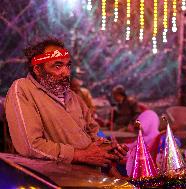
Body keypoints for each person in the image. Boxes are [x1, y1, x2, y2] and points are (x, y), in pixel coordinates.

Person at [4, 38, 128, 170]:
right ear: (37, 69)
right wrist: (79, 155)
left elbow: (94, 132)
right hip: (54, 180)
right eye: (57, 66)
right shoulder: (23, 88)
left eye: (67, 65)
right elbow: (30, 146)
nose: (66, 72)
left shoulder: (73, 96)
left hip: (91, 177)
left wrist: (107, 147)